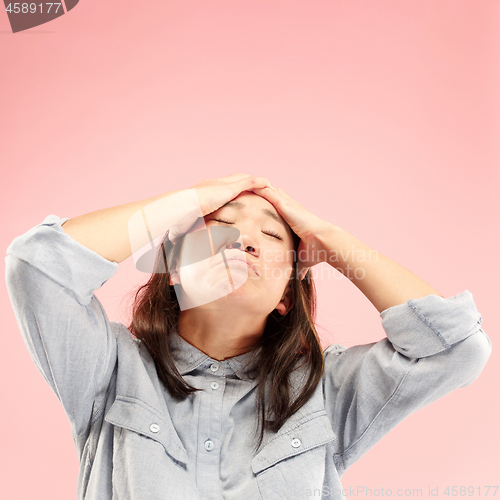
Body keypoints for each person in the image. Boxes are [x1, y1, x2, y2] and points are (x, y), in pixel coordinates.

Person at [5, 173, 491, 500]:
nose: (245, 240)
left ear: (285, 295)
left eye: (274, 236)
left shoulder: (324, 391)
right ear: (175, 270)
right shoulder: (109, 368)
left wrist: (334, 241)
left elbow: (455, 349)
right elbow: (38, 266)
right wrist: (190, 201)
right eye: (221, 226)